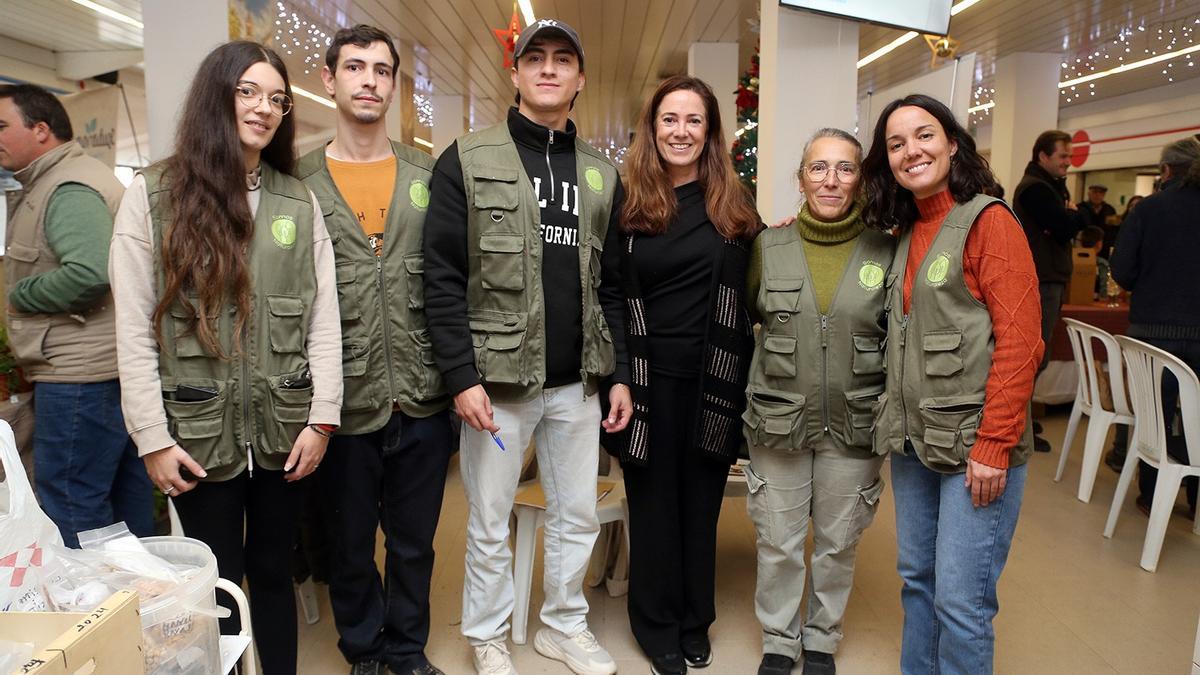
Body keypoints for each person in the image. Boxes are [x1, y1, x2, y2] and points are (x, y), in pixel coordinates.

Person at [110, 41, 342, 675]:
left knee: (273, 568)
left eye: (277, 98)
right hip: (196, 432)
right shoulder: (155, 194)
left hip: (283, 427)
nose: (264, 108)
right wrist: (151, 437)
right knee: (216, 580)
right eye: (248, 92)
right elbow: (131, 327)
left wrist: (322, 419)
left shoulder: (299, 200)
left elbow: (324, 321)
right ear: (217, 94)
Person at [423, 19, 630, 675]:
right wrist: (460, 374)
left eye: (562, 59)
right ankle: (487, 633)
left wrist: (619, 370)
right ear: (514, 74)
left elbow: (614, 285)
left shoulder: (601, 175)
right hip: (498, 385)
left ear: (579, 78)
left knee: (576, 515)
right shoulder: (468, 158)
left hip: (579, 385)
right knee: (489, 519)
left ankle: (562, 626)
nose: (547, 69)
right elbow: (442, 274)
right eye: (534, 58)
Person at [862, 94, 1043, 675]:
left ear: (954, 143)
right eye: (895, 144)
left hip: (976, 450)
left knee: (961, 602)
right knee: (918, 582)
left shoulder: (989, 221)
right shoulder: (904, 231)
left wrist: (993, 445)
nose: (911, 150)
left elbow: (1021, 345)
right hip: (916, 445)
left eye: (924, 135)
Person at [296, 25, 452, 675]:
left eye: (381, 70)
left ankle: (408, 648)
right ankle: (364, 648)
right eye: (355, 67)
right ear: (329, 79)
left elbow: (455, 276)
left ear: (394, 85)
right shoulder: (297, 180)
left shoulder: (430, 174)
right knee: (350, 543)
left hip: (421, 390)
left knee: (415, 542)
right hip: (343, 394)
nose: (369, 80)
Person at [609, 75, 758, 675]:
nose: (681, 131)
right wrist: (617, 375)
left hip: (714, 382)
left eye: (694, 120)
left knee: (701, 507)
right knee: (653, 506)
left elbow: (764, 285)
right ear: (653, 127)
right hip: (645, 383)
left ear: (711, 132)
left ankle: (696, 619)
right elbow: (612, 297)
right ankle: (656, 624)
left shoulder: (734, 206)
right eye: (670, 119)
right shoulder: (629, 206)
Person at [741, 128, 892, 675]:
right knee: (778, 541)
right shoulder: (768, 246)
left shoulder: (886, 248)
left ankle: (822, 637)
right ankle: (780, 641)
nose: (831, 179)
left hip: (856, 421)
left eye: (845, 168)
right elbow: (745, 319)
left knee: (837, 542)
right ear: (800, 179)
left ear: (860, 179)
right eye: (819, 168)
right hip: (779, 417)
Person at [0, 84, 152, 547]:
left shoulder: (66, 187)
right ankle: (139, 609)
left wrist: (18, 295)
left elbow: (88, 272)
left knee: (70, 503)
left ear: (41, 130)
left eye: (1, 125)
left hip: (79, 379)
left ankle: (97, 614)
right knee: (125, 507)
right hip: (101, 372)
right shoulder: (71, 177)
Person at [1110, 137, 1200, 519]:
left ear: (1165, 171)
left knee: (1155, 418)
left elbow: (1123, 272)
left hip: (1152, 338)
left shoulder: (1150, 209)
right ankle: (1196, 501)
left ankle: (1150, 494)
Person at [1012, 130, 1085, 452]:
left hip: (1048, 276)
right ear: (1043, 156)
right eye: (1063, 156)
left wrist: (1069, 216)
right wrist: (1073, 214)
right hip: (1040, 278)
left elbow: (1063, 225)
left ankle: (1023, 418)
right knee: (1033, 355)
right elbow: (1066, 226)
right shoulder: (1036, 190)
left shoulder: (1049, 186)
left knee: (1038, 354)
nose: (1069, 163)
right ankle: (1019, 425)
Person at [1077, 184, 1118, 257]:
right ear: (1089, 193)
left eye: (1101, 193)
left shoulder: (1110, 209)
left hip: (1104, 249)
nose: (1098, 195)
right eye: (1095, 192)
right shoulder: (1080, 208)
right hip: (1084, 248)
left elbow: (1113, 230)